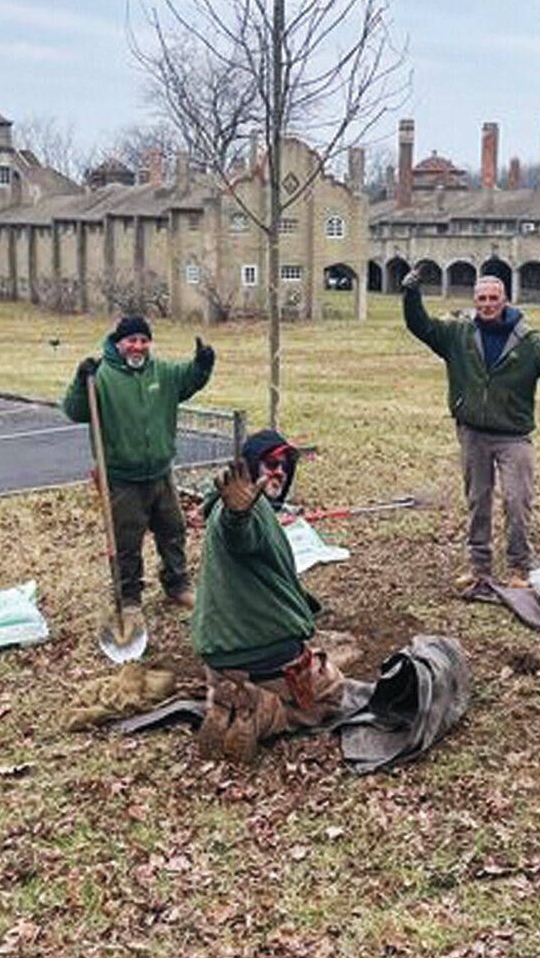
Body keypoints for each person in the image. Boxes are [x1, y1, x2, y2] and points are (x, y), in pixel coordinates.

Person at [402, 270, 540, 594]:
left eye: (493, 298)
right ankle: (479, 567)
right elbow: (421, 326)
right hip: (473, 432)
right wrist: (411, 294)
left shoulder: (528, 341)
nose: (487, 304)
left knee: (518, 499)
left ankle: (519, 566)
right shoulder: (458, 334)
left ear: (504, 300)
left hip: (513, 435)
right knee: (478, 499)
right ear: (475, 302)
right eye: (482, 299)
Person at [190, 428, 344, 763]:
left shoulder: (235, 509)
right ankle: (264, 712)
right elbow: (240, 535)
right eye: (269, 463)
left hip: (219, 662)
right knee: (333, 692)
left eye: (285, 465)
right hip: (265, 657)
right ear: (247, 470)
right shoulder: (243, 512)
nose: (279, 471)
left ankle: (226, 701)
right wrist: (238, 515)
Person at [62, 315, 215, 632]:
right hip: (122, 478)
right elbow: (74, 411)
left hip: (160, 473)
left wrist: (202, 364)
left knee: (173, 530)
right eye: (132, 340)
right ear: (119, 343)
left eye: (144, 340)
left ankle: (177, 585)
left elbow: (190, 379)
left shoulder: (162, 372)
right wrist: (81, 379)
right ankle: (129, 599)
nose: (138, 346)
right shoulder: (101, 376)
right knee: (126, 541)